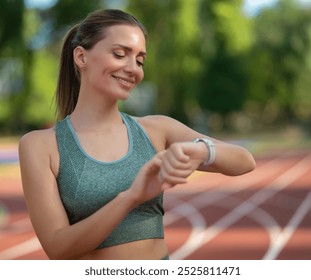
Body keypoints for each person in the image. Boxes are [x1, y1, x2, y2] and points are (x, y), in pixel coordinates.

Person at [18, 9, 256, 260]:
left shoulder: (156, 130)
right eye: (120, 54)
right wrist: (131, 197)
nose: (133, 69)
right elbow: (58, 247)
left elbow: (245, 161)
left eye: (140, 60)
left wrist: (201, 150)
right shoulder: (40, 145)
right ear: (81, 57)